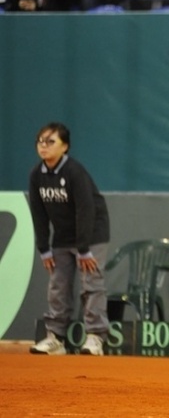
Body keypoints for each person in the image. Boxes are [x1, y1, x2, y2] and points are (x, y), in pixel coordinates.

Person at [28, 122, 111, 356]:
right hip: (62, 236)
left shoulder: (75, 172)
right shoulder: (36, 175)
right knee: (58, 285)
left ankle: (95, 337)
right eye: (40, 141)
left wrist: (84, 249)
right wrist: (44, 248)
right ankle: (56, 339)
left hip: (91, 234)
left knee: (91, 284)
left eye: (50, 141)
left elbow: (86, 210)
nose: (43, 146)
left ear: (65, 147)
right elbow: (38, 213)